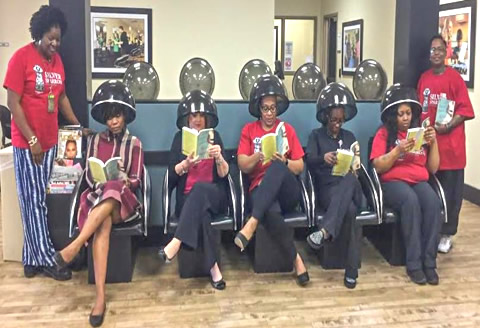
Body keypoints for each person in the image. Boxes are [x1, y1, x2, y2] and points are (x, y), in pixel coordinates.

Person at [3, 5, 86, 281]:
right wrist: (33, 139)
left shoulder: (57, 62)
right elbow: (12, 103)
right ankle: (46, 258)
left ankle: (31, 257)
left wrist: (75, 124)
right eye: (50, 38)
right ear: (39, 34)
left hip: (52, 142)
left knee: (42, 200)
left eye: (58, 38)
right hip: (29, 145)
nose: (55, 43)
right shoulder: (20, 58)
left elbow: (60, 97)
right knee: (33, 201)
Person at [53, 80, 144, 327]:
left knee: (115, 187)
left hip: (123, 202)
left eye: (117, 116)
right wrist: (101, 177)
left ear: (125, 115)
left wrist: (123, 177)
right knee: (101, 222)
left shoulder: (134, 144)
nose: (113, 122)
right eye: (109, 117)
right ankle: (100, 298)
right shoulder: (94, 141)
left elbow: (136, 181)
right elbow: (91, 176)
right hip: (99, 200)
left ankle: (75, 245)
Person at [234, 75, 309, 286]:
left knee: (277, 166)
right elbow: (242, 165)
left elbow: (300, 166)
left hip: (287, 190)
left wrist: (285, 162)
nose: (269, 113)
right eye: (265, 108)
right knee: (270, 209)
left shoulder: (286, 130)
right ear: (259, 109)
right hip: (260, 189)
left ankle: (251, 223)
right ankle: (297, 260)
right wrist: (257, 156)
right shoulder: (249, 131)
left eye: (273, 108)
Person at [371, 84, 442, 285]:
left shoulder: (419, 134)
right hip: (393, 182)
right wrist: (397, 151)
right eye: (400, 114)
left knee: (433, 204)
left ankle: (429, 263)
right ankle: (414, 264)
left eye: (408, 113)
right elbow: (378, 166)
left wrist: (434, 142)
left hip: (419, 180)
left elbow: (433, 169)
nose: (405, 118)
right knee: (410, 202)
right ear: (393, 116)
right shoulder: (384, 134)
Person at [158, 90, 229, 290]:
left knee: (200, 190)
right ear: (187, 118)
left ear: (207, 118)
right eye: (193, 115)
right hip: (188, 200)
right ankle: (214, 269)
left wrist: (219, 157)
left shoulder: (215, 137)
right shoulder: (179, 139)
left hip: (215, 195)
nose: (197, 120)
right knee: (202, 215)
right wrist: (185, 165)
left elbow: (224, 175)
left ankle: (177, 241)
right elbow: (170, 177)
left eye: (201, 116)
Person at [417, 35, 475, 254]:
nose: (436, 53)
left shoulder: (455, 78)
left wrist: (449, 125)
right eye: (433, 50)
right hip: (429, 147)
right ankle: (431, 230)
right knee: (432, 191)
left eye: (440, 50)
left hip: (451, 148)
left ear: (446, 52)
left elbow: (466, 111)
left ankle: (447, 234)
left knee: (451, 194)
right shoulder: (424, 78)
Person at [305, 83, 362, 289]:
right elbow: (308, 160)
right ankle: (351, 271)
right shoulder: (316, 136)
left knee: (349, 179)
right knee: (350, 211)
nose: (337, 124)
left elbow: (358, 166)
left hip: (350, 185)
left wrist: (353, 167)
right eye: (333, 120)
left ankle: (326, 231)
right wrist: (323, 158)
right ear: (325, 117)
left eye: (340, 120)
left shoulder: (350, 138)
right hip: (328, 190)